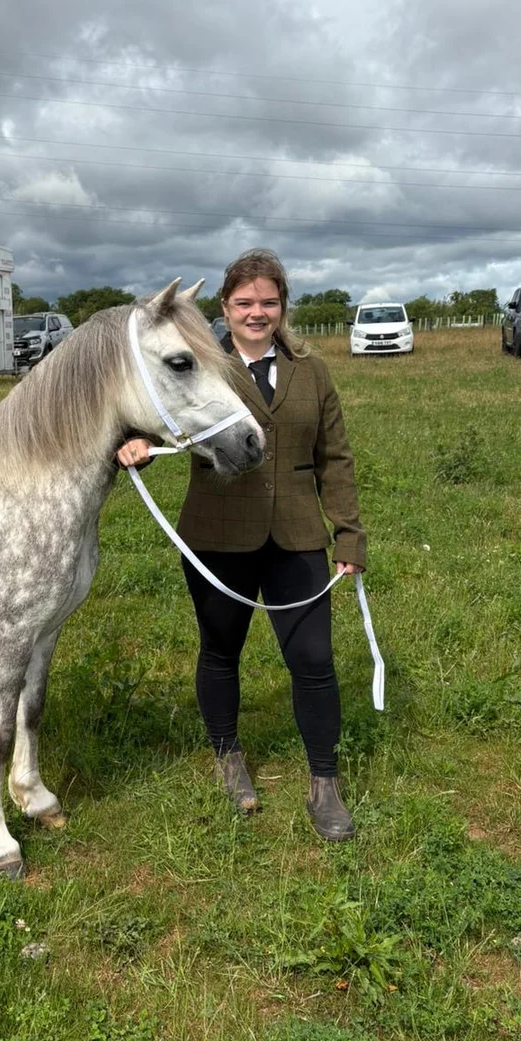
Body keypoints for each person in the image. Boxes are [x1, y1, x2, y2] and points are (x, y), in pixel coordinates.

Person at [117, 249, 366, 841]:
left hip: (298, 537)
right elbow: (151, 415)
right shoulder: (201, 366)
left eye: (269, 302)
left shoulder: (313, 371)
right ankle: (229, 759)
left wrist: (349, 534)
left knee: (313, 662)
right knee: (220, 652)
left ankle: (324, 783)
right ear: (224, 308)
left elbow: (336, 458)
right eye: (245, 303)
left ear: (284, 307)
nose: (258, 313)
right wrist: (131, 445)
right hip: (217, 537)